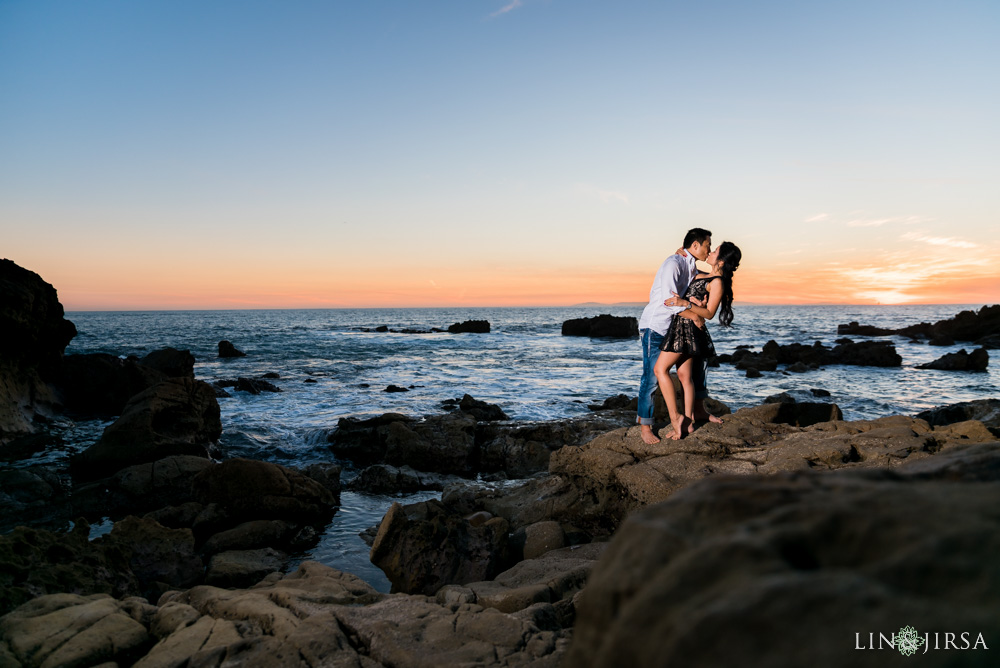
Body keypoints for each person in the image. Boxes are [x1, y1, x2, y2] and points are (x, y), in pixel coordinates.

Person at [654, 241, 742, 439]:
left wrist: (685, 303)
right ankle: (689, 421)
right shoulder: (703, 274)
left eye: (715, 250)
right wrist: (682, 254)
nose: (710, 252)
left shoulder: (717, 282)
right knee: (685, 377)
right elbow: (688, 269)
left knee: (661, 370)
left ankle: (681, 419)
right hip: (680, 326)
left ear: (722, 260)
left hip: (689, 330)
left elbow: (709, 313)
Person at [636, 228, 712, 444]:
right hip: (656, 326)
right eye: (708, 244)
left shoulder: (689, 265)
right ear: (695, 245)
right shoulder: (673, 263)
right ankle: (645, 428)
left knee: (686, 373)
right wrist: (695, 316)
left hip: (673, 329)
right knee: (651, 378)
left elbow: (698, 284)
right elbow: (669, 303)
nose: (709, 249)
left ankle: (690, 415)